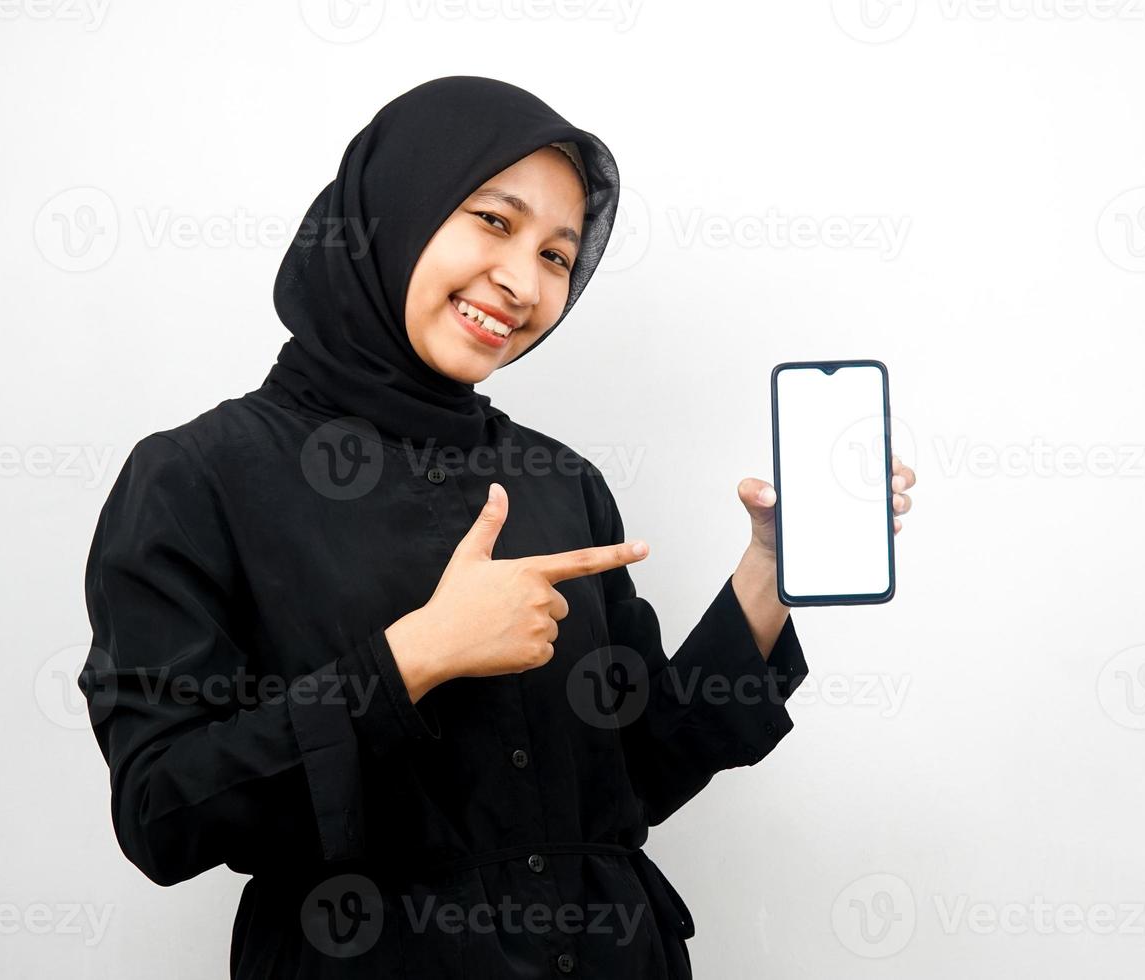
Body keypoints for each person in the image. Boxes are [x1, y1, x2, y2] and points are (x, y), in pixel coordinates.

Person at [78, 75, 917, 977]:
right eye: (493, 221)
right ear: (389, 213)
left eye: (559, 257)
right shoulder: (196, 477)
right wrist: (415, 658)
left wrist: (769, 570)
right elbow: (165, 814)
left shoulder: (562, 482)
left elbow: (639, 773)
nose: (522, 282)